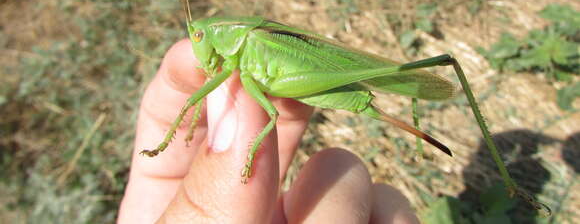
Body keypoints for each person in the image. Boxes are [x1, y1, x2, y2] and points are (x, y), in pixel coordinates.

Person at [117, 40, 419, 223]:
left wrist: (247, 156)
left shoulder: (244, 49)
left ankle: (415, 84)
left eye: (200, 37)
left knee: (272, 113)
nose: (198, 44)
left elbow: (271, 114)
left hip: (316, 79)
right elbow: (204, 92)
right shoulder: (230, 63)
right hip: (295, 81)